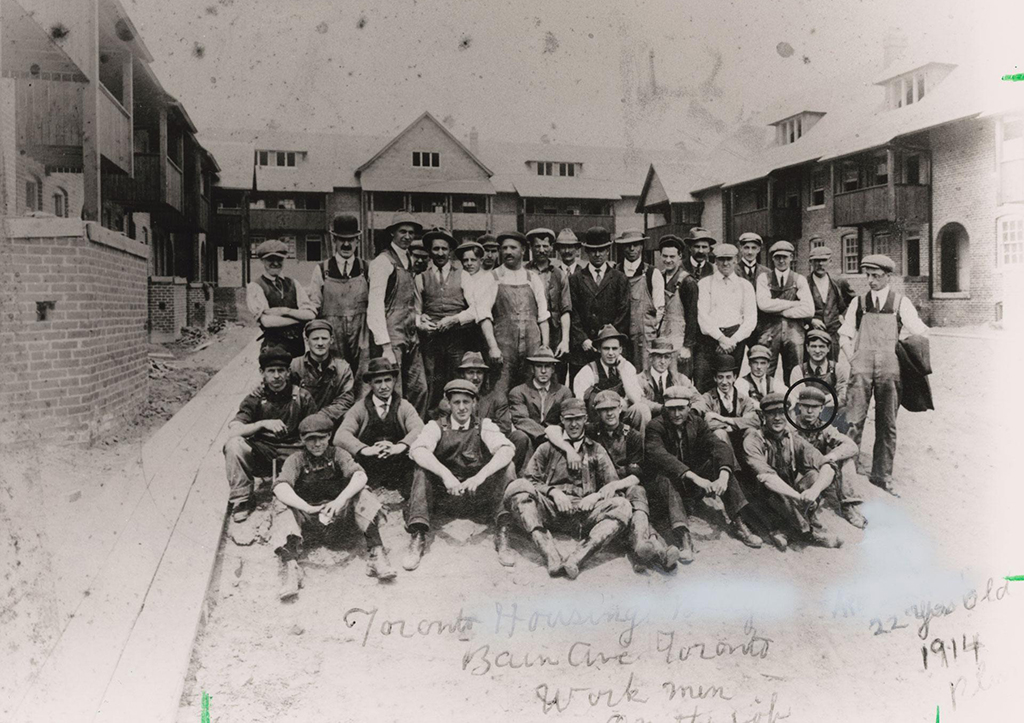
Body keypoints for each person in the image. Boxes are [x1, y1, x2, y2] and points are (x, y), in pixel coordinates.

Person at [544, 390, 680, 572]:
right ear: (597, 413)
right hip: (598, 491)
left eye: (613, 408)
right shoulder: (590, 430)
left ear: (621, 408)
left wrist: (615, 485)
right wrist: (568, 450)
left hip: (622, 485)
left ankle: (642, 544)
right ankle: (654, 549)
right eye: (603, 410)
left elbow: (637, 474)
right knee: (627, 508)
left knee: (637, 492)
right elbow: (551, 430)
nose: (609, 413)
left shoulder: (631, 436)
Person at [503, 399, 632, 579]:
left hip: (584, 514)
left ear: (585, 419)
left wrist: (594, 497)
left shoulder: (596, 449)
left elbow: (612, 485)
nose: (574, 424)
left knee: (623, 505)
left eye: (578, 419)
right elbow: (529, 479)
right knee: (517, 487)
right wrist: (553, 492)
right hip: (551, 511)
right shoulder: (546, 448)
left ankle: (578, 557)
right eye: (568, 419)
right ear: (561, 421)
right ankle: (550, 554)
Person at [272, 414, 394, 600]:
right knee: (280, 504)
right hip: (308, 523)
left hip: (340, 519)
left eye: (321, 438)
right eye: (311, 439)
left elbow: (360, 476)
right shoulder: (296, 459)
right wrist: (306, 507)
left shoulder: (338, 453)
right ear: (302, 440)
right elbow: (280, 487)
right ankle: (292, 569)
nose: (317, 444)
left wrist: (339, 501)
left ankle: (376, 555)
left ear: (329, 436)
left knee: (365, 493)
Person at [838, 254, 929, 495]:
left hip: (891, 369)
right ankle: (848, 471)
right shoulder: (859, 303)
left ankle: (882, 475)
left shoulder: (900, 303)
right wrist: (852, 358)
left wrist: (903, 353)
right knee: (853, 420)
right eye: (867, 275)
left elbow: (920, 332)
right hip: (862, 367)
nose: (871, 280)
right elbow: (845, 333)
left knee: (887, 422)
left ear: (888, 277)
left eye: (876, 276)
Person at [407, 379, 518, 570]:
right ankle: (418, 534)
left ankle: (503, 532)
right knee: (421, 468)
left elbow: (507, 449)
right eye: (456, 402)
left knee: (508, 466)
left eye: (466, 402)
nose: (461, 408)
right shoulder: (436, 426)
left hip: (477, 497)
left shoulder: (485, 425)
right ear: (448, 404)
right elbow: (417, 450)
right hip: (446, 497)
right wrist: (445, 475)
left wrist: (480, 476)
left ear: (474, 403)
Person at [644, 386, 763, 562]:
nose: (676, 414)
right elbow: (662, 457)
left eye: (681, 408)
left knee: (720, 465)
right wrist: (694, 477)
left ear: (689, 407)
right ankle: (684, 537)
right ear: (665, 408)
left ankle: (738, 523)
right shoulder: (655, 426)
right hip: (667, 489)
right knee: (665, 477)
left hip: (692, 486)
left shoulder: (697, 422)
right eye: (671, 409)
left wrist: (723, 474)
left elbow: (718, 445)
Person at [224, 346, 318, 523]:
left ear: (288, 372)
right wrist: (262, 424)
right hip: (264, 454)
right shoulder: (255, 398)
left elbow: (315, 430)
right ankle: (242, 499)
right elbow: (234, 430)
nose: (276, 376)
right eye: (271, 371)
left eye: (281, 370)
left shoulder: (302, 396)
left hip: (294, 453)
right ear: (262, 373)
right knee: (234, 445)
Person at [741, 393, 842, 550]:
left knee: (814, 476)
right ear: (763, 416)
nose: (777, 418)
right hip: (760, 497)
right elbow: (767, 478)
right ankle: (808, 533)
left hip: (787, 496)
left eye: (782, 413)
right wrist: (799, 497)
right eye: (771, 413)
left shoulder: (793, 439)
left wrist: (814, 491)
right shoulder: (753, 439)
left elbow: (827, 465)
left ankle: (785, 531)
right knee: (775, 489)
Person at [333, 357, 425, 496]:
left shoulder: (404, 406)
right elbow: (340, 436)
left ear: (394, 380)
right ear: (370, 383)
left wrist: (398, 447)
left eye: (387, 380)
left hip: (398, 466)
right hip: (368, 467)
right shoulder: (359, 408)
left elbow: (419, 429)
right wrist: (366, 450)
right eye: (378, 382)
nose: (383, 387)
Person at [366, 211, 428, 415]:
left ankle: (414, 432)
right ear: (392, 233)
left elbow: (410, 302)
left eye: (411, 233)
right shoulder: (382, 262)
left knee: (420, 388)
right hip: (391, 337)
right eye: (403, 231)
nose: (408, 236)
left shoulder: (410, 261)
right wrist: (385, 346)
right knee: (395, 390)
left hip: (411, 335)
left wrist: (419, 319)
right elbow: (375, 306)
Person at [477, 231, 550, 398]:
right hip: (504, 348)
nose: (508, 252)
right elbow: (484, 317)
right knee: (499, 391)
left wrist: (545, 347)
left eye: (513, 248)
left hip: (532, 345)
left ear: (523, 250)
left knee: (531, 392)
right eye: (504, 248)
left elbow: (543, 316)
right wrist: (493, 347)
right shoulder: (492, 278)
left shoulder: (533, 278)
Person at [434, 351, 532, 473]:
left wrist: (481, 434)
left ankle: (506, 478)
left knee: (520, 437)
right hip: (460, 450)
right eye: (470, 372)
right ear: (462, 375)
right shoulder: (449, 400)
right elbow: (447, 431)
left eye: (479, 372)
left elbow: (505, 427)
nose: (475, 378)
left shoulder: (497, 397)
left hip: (488, 448)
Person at [417, 227, 478, 411]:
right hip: (431, 340)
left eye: (444, 249)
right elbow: (415, 309)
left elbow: (475, 309)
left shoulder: (463, 275)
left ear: (450, 250)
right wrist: (421, 320)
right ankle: (431, 421)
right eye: (436, 249)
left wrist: (454, 320)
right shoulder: (421, 277)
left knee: (457, 379)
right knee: (431, 380)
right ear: (430, 251)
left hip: (457, 339)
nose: (440, 253)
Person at [792, 386, 866, 529]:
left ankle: (848, 505)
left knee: (846, 458)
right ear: (799, 407)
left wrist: (830, 456)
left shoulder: (824, 427)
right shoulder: (791, 426)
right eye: (806, 406)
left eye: (815, 407)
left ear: (821, 409)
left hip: (820, 471)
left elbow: (851, 446)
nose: (809, 411)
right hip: (798, 474)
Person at [309, 214, 369, 385]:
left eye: (351, 239)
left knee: (362, 377)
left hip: (361, 334)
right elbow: (314, 306)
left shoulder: (366, 268)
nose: (346, 244)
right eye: (341, 239)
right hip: (333, 333)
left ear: (358, 240)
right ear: (334, 240)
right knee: (335, 376)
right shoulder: (322, 269)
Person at [694, 242, 758, 392]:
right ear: (715, 261)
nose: (725, 263)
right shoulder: (705, 284)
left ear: (736, 260)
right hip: (710, 339)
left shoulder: (745, 285)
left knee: (730, 382)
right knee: (704, 381)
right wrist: (721, 339)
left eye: (729, 259)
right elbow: (702, 316)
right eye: (721, 259)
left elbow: (750, 319)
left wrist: (733, 340)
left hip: (735, 340)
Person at [569, 226, 630, 370]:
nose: (597, 254)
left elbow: (624, 311)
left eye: (601, 250)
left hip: (610, 350)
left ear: (608, 250)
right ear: (587, 252)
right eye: (593, 250)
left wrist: (609, 337)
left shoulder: (619, 278)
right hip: (583, 350)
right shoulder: (575, 279)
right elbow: (573, 312)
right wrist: (583, 339)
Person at [572, 324, 652, 433]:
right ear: (599, 349)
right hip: (598, 422)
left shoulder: (627, 367)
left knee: (642, 409)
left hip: (622, 421)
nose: (610, 353)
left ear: (620, 350)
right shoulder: (588, 371)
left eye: (614, 349)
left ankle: (639, 448)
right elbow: (581, 405)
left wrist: (622, 372)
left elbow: (636, 400)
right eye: (606, 348)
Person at [755, 240, 814, 384]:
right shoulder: (764, 278)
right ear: (772, 258)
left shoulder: (799, 279)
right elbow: (763, 304)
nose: (781, 260)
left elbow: (809, 309)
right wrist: (793, 304)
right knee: (765, 370)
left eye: (785, 257)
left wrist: (782, 312)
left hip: (794, 330)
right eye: (777, 257)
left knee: (795, 371)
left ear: (791, 257)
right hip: (769, 330)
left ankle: (793, 402)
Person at [246, 239, 316, 359]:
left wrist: (285, 311)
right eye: (270, 259)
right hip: (273, 348)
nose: (275, 263)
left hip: (297, 346)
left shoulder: (294, 283)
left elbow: (310, 314)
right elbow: (267, 322)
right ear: (262, 261)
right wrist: (299, 318)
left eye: (279, 259)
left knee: (298, 375)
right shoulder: (256, 286)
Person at [289, 320, 356, 430]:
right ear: (307, 340)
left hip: (331, 423)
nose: (320, 343)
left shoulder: (343, 368)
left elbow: (345, 400)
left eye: (324, 338)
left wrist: (321, 416)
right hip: (300, 424)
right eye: (315, 339)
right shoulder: (295, 365)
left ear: (331, 340)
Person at [508, 345, 574, 453]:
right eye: (539, 366)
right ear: (532, 369)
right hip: (530, 437)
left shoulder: (564, 392)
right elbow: (520, 419)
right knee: (519, 436)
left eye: (547, 366)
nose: (543, 371)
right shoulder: (519, 391)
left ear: (553, 369)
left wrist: (554, 434)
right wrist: (546, 433)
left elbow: (567, 418)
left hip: (556, 438)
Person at [616, 228, 665, 371]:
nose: (632, 249)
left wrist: (649, 329)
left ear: (642, 246)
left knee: (644, 376)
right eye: (628, 245)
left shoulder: (652, 273)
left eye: (636, 244)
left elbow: (660, 308)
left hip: (644, 338)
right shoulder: (615, 272)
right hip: (620, 336)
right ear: (622, 247)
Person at [526, 228, 572, 359]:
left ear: (551, 248)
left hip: (555, 335)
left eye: (545, 246)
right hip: (529, 333)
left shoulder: (559, 275)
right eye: (537, 246)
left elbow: (565, 310)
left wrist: (565, 340)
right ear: (531, 248)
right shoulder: (523, 273)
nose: (541, 250)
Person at [658, 235, 698, 378]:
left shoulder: (687, 281)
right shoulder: (658, 277)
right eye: (664, 256)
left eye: (672, 256)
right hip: (661, 339)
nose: (668, 260)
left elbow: (692, 316)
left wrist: (687, 346)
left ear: (680, 256)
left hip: (679, 340)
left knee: (679, 380)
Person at [698, 354, 760, 447]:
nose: (724, 382)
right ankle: (730, 462)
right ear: (715, 378)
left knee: (752, 432)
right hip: (721, 445)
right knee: (719, 433)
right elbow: (708, 423)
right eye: (720, 377)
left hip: (741, 442)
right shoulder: (707, 398)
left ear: (734, 377)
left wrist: (722, 419)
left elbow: (755, 421)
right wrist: (735, 425)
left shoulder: (744, 399)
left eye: (728, 377)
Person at [807, 244, 855, 360]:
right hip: (811, 333)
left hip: (833, 333)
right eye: (816, 261)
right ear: (811, 262)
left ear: (830, 261)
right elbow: (797, 307)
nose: (820, 264)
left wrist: (843, 317)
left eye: (824, 260)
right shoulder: (804, 282)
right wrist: (810, 319)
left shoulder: (839, 282)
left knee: (832, 366)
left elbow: (854, 302)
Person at [801, 329, 849, 431]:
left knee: (846, 412)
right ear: (807, 348)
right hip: (807, 414)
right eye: (813, 346)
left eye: (822, 346)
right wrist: (828, 398)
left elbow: (843, 396)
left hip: (830, 412)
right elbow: (798, 397)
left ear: (828, 348)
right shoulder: (799, 370)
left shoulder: (837, 368)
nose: (817, 351)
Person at [638, 337, 693, 417]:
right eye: (659, 357)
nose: (663, 362)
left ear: (670, 360)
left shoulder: (680, 379)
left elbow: (697, 398)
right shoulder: (640, 379)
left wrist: (692, 411)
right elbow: (638, 400)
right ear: (650, 358)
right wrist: (661, 408)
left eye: (666, 357)